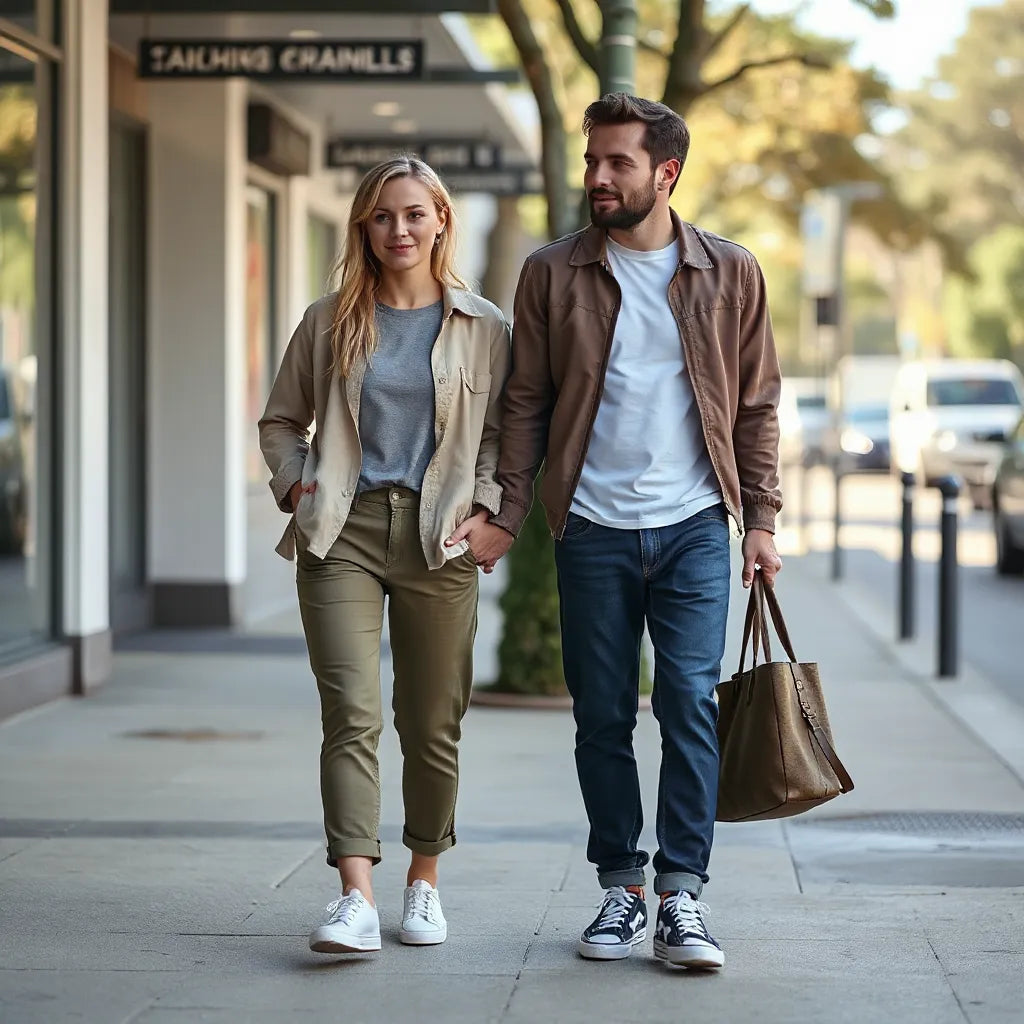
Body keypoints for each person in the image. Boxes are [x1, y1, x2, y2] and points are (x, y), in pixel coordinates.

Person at [452, 94, 783, 969]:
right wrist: (506, 515)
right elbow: (526, 401)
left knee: (688, 705)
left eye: (617, 163)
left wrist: (760, 519)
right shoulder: (551, 272)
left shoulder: (730, 272)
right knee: (601, 715)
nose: (597, 177)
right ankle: (620, 888)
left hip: (695, 526)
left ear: (665, 173)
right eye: (592, 161)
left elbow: (755, 405)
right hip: (592, 528)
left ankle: (682, 895)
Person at [259, 157, 511, 955]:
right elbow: (281, 421)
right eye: (381, 216)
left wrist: (490, 510)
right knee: (351, 713)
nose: (398, 230)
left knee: (432, 722)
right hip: (344, 533)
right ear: (362, 226)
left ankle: (423, 883)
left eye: (412, 214)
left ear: (440, 219)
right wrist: (296, 485)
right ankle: (355, 897)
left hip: (441, 539)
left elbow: (504, 438)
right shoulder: (329, 320)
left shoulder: (485, 327)